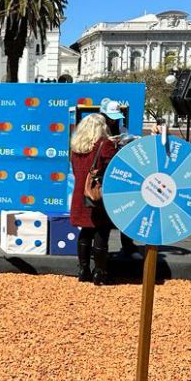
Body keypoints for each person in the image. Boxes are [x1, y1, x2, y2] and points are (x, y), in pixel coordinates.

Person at [69, 113, 118, 285]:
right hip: (97, 195)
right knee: (101, 231)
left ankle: (83, 271)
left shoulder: (77, 147)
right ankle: (100, 273)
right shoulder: (105, 145)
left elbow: (76, 171)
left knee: (85, 231)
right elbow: (114, 170)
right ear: (101, 127)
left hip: (80, 195)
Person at [98, 98, 143, 260]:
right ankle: (98, 252)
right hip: (101, 177)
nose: (113, 120)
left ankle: (128, 245)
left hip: (120, 176)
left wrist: (129, 142)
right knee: (99, 218)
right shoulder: (96, 130)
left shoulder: (122, 128)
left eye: (115, 116)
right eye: (110, 116)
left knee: (127, 211)